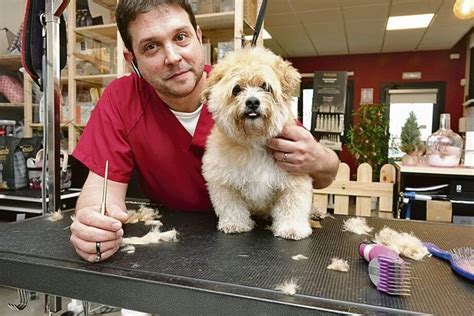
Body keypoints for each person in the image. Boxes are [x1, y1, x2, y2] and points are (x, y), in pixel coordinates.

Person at [70, 0, 340, 263]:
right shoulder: (121, 99)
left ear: (199, 37)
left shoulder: (236, 85)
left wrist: (320, 157)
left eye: (181, 37)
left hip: (259, 249)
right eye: (151, 47)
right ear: (132, 59)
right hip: (170, 249)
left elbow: (322, 174)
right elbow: (101, 190)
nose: (173, 57)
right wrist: (93, 225)